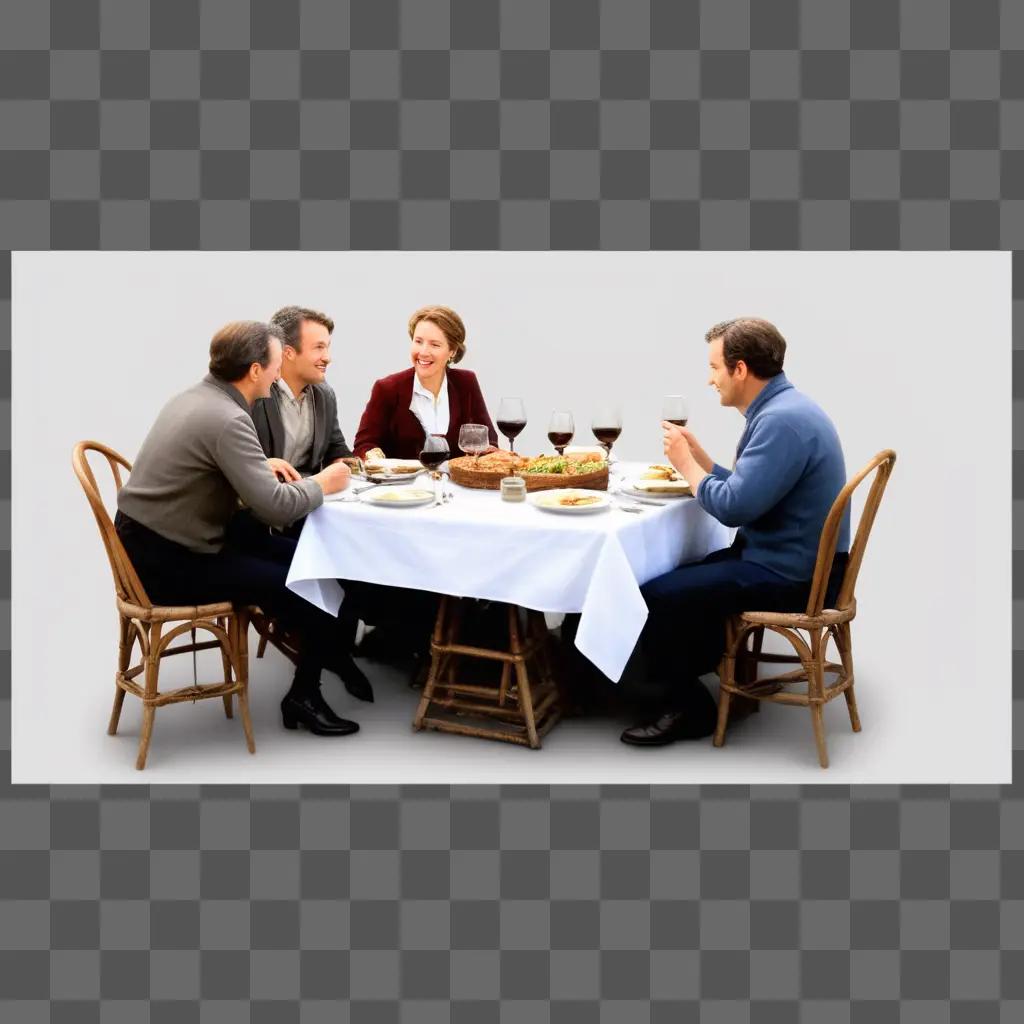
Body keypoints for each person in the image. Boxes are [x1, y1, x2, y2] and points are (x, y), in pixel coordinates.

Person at [115, 320, 360, 737]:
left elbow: (206, 465)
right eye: (274, 363)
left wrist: (258, 466)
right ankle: (304, 695)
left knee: (316, 560)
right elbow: (275, 508)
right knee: (307, 580)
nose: (279, 370)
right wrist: (323, 483)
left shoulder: (194, 398)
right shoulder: (229, 418)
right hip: (170, 563)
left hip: (153, 541)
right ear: (254, 371)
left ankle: (323, 658)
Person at [619, 317, 850, 746]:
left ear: (740, 369)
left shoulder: (781, 422)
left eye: (714, 368)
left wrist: (685, 466)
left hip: (796, 578)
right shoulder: (786, 409)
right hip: (797, 560)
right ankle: (683, 674)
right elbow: (755, 491)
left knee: (659, 595)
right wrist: (705, 462)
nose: (711, 380)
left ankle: (688, 708)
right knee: (691, 571)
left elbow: (734, 507)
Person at [241, 304, 373, 704]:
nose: (327, 356)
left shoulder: (323, 395)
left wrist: (356, 463)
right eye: (318, 347)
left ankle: (337, 652)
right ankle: (326, 660)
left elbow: (336, 448)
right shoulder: (255, 396)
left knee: (360, 556)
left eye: (328, 346)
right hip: (262, 519)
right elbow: (244, 473)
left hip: (312, 509)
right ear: (287, 352)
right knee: (334, 563)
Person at [353, 304, 497, 459]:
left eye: (434, 344)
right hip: (403, 483)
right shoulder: (387, 388)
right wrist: (376, 459)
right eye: (418, 341)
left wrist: (486, 457)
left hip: (455, 483)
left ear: (452, 351)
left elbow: (489, 443)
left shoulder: (466, 382)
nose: (423, 352)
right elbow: (364, 445)